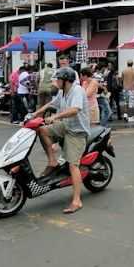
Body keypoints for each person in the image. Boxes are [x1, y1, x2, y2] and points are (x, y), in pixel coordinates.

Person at [33, 67, 90, 214]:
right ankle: (53, 161)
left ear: (66, 80)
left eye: (58, 79)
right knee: (42, 130)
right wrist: (36, 112)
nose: (56, 81)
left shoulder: (77, 90)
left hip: (77, 132)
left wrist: (55, 117)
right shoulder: (62, 91)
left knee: (73, 165)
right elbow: (52, 104)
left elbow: (75, 110)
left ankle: (77, 201)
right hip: (66, 126)